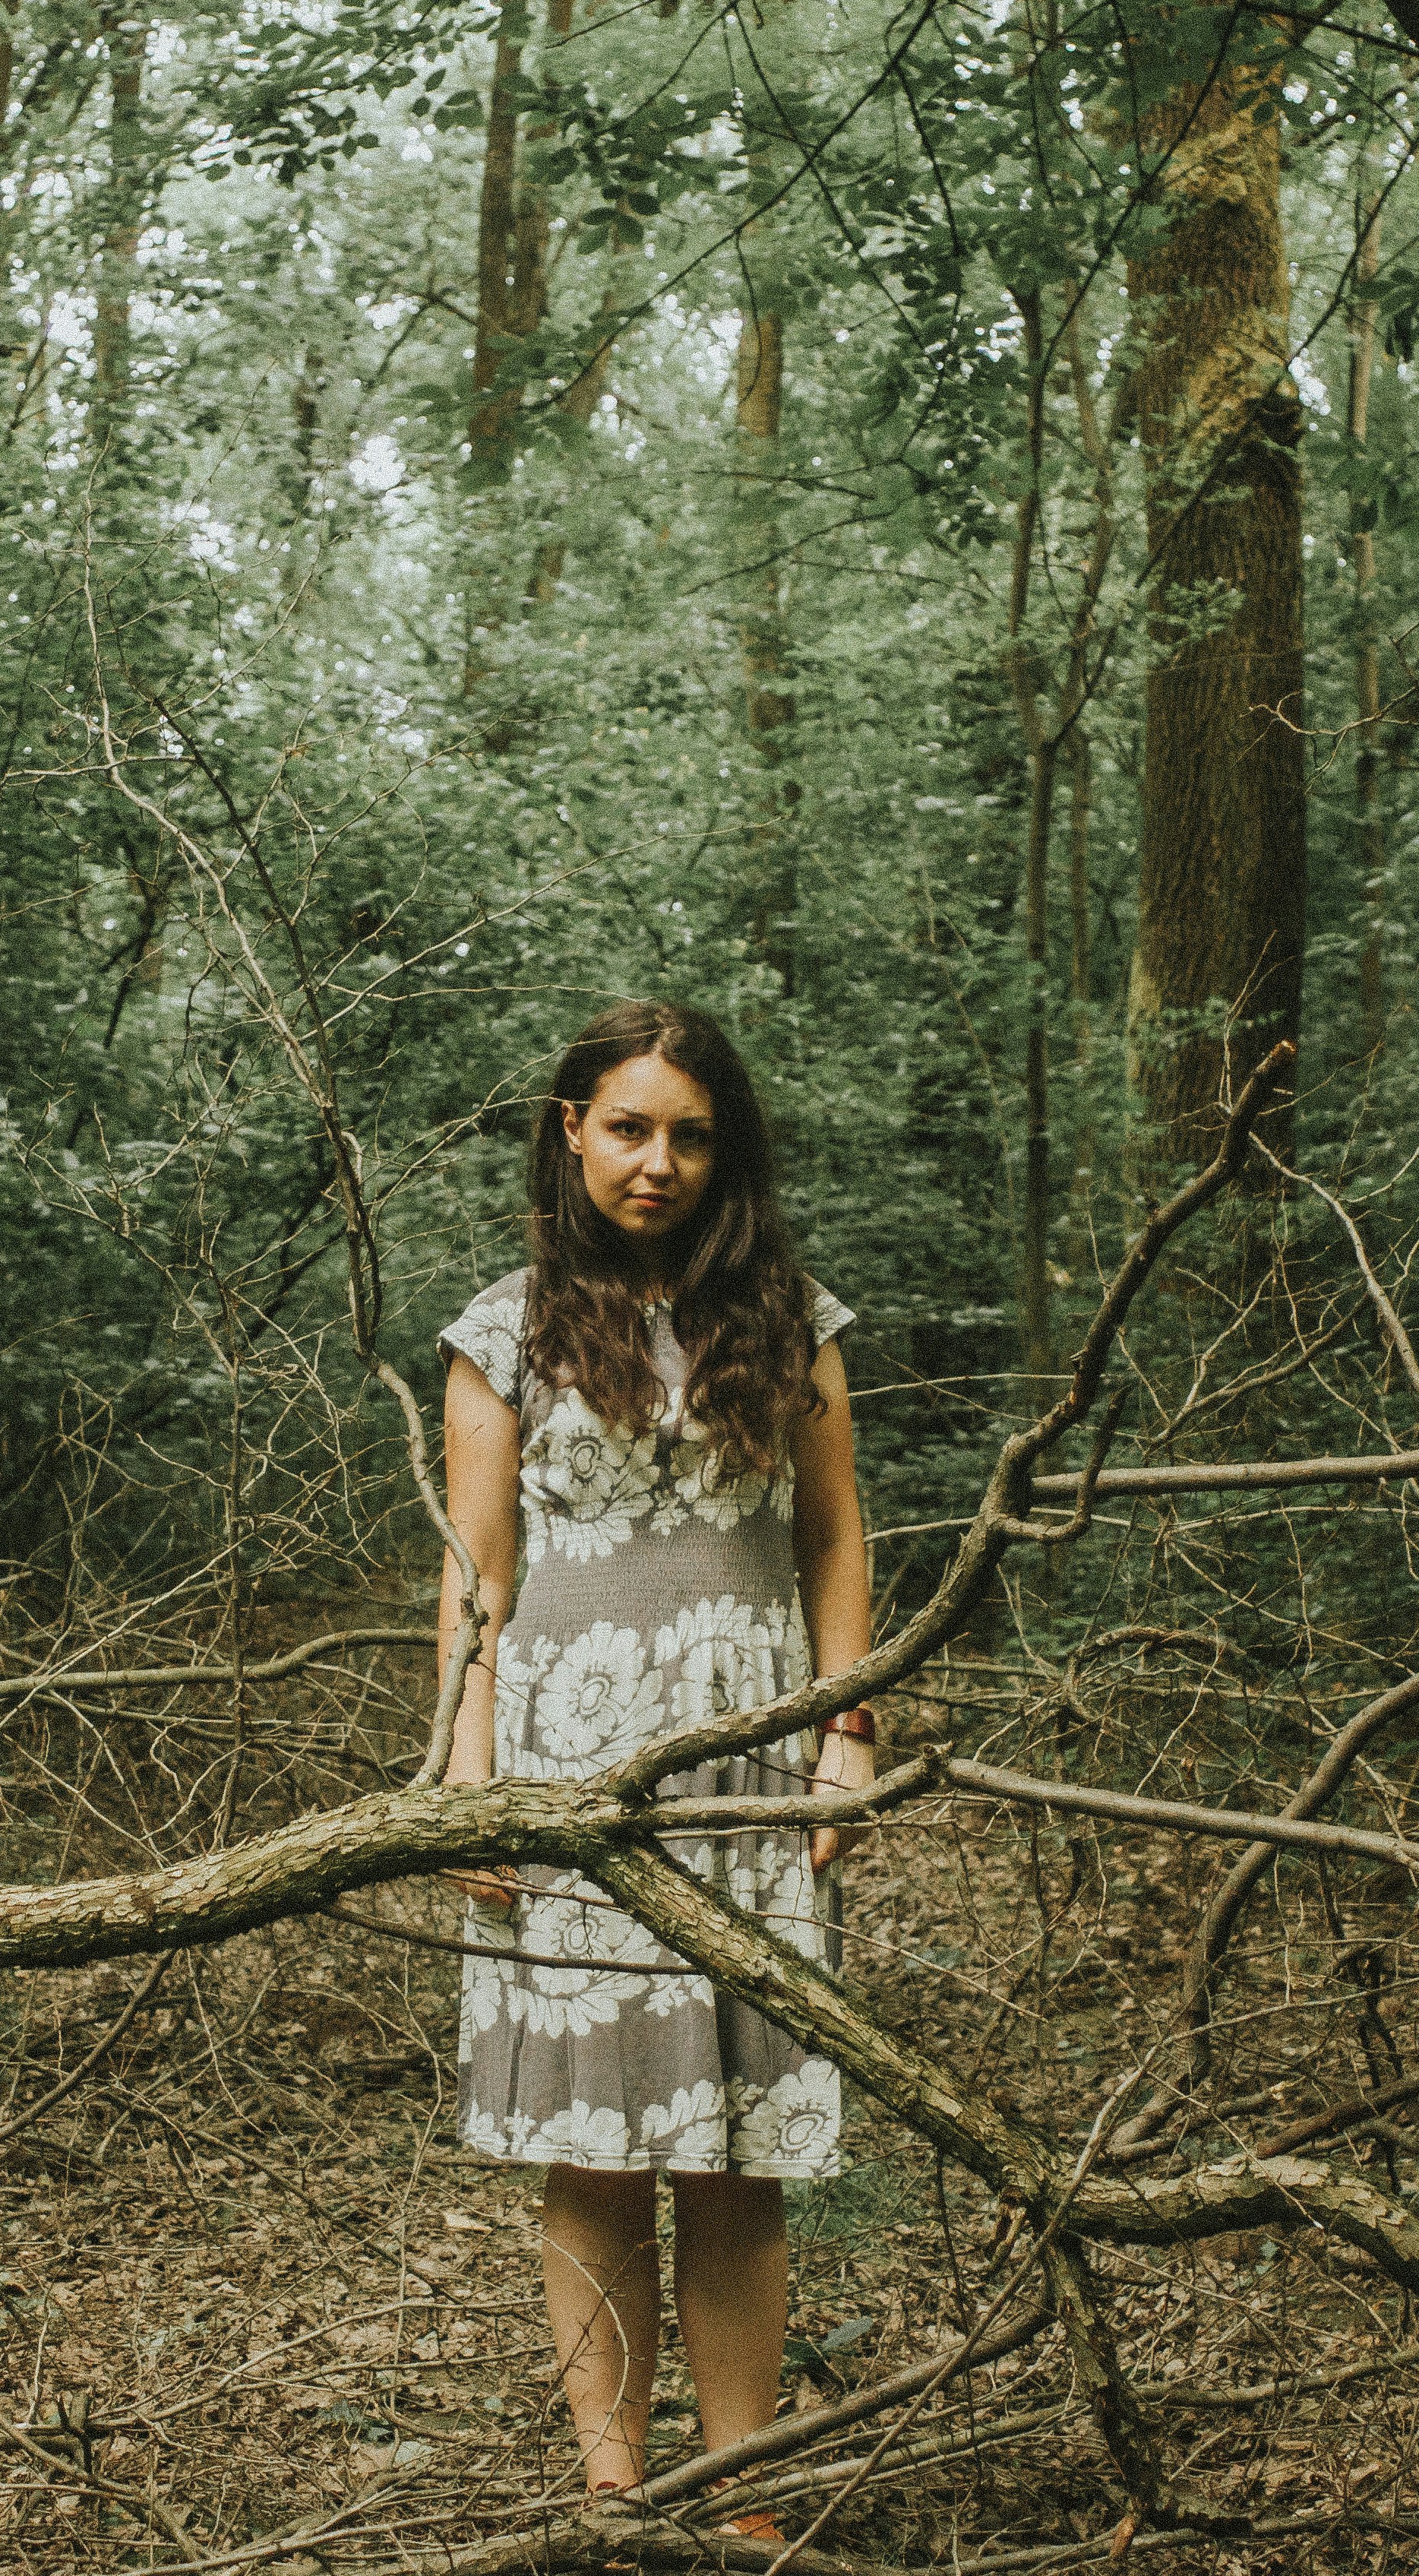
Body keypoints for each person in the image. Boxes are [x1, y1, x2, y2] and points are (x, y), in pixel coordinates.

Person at [433, 999, 876, 2524]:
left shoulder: (790, 1319)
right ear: (572, 1132)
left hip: (745, 1766)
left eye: (689, 1134)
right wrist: (469, 1774)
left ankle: (741, 2492)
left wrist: (843, 1738)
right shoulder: (502, 1332)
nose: (657, 1162)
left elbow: (834, 1540)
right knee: (596, 2148)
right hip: (567, 1773)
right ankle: (613, 2489)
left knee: (732, 2156)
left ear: (724, 1152)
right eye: (627, 1128)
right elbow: (475, 1574)